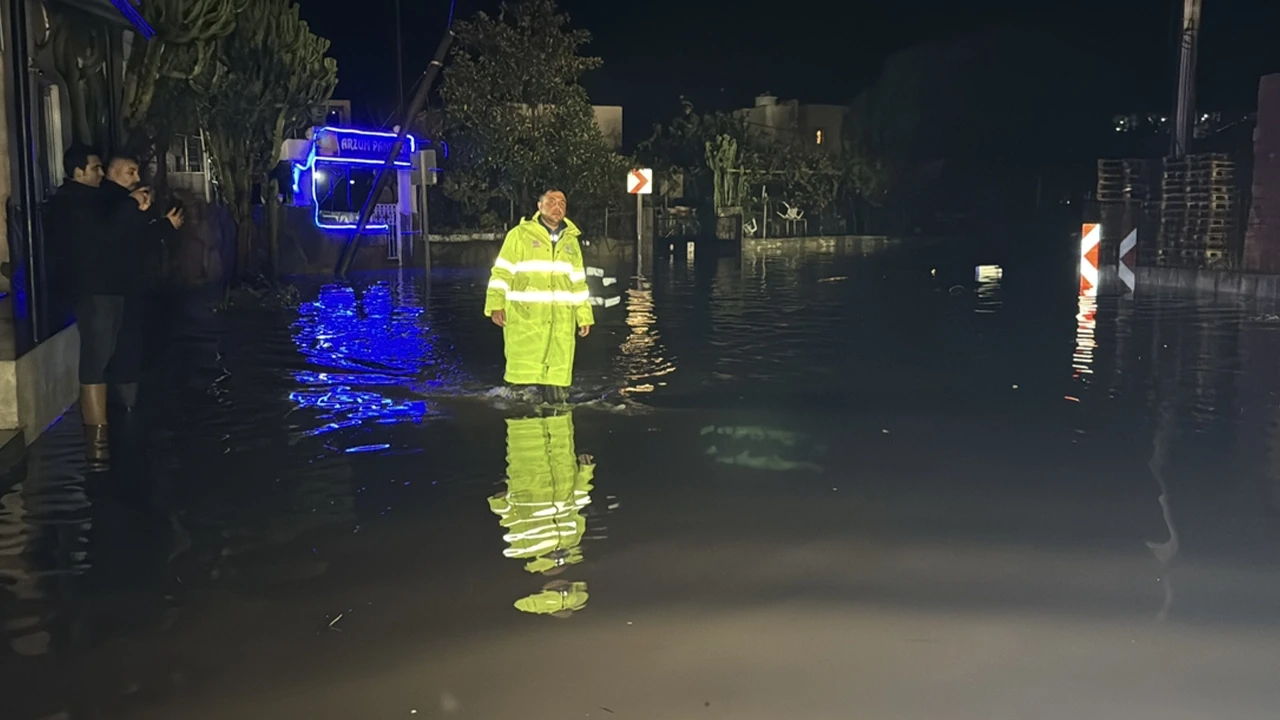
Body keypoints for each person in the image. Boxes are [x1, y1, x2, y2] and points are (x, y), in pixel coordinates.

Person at [73, 155, 181, 458]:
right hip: (105, 291)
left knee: (123, 348)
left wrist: (158, 222)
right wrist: (146, 215)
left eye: (137, 172)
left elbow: (133, 239)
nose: (136, 177)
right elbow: (116, 238)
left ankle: (118, 422)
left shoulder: (119, 202)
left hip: (122, 290)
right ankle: (99, 436)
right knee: (103, 354)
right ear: (110, 174)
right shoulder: (105, 203)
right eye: (129, 172)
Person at [484, 189, 593, 404]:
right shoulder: (520, 235)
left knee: (558, 391)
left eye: (562, 202)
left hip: (560, 324)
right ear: (539, 206)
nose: (557, 206)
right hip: (527, 322)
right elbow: (501, 272)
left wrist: (584, 315)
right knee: (521, 393)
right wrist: (496, 304)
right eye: (551, 202)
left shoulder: (571, 241)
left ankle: (558, 426)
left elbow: (578, 283)